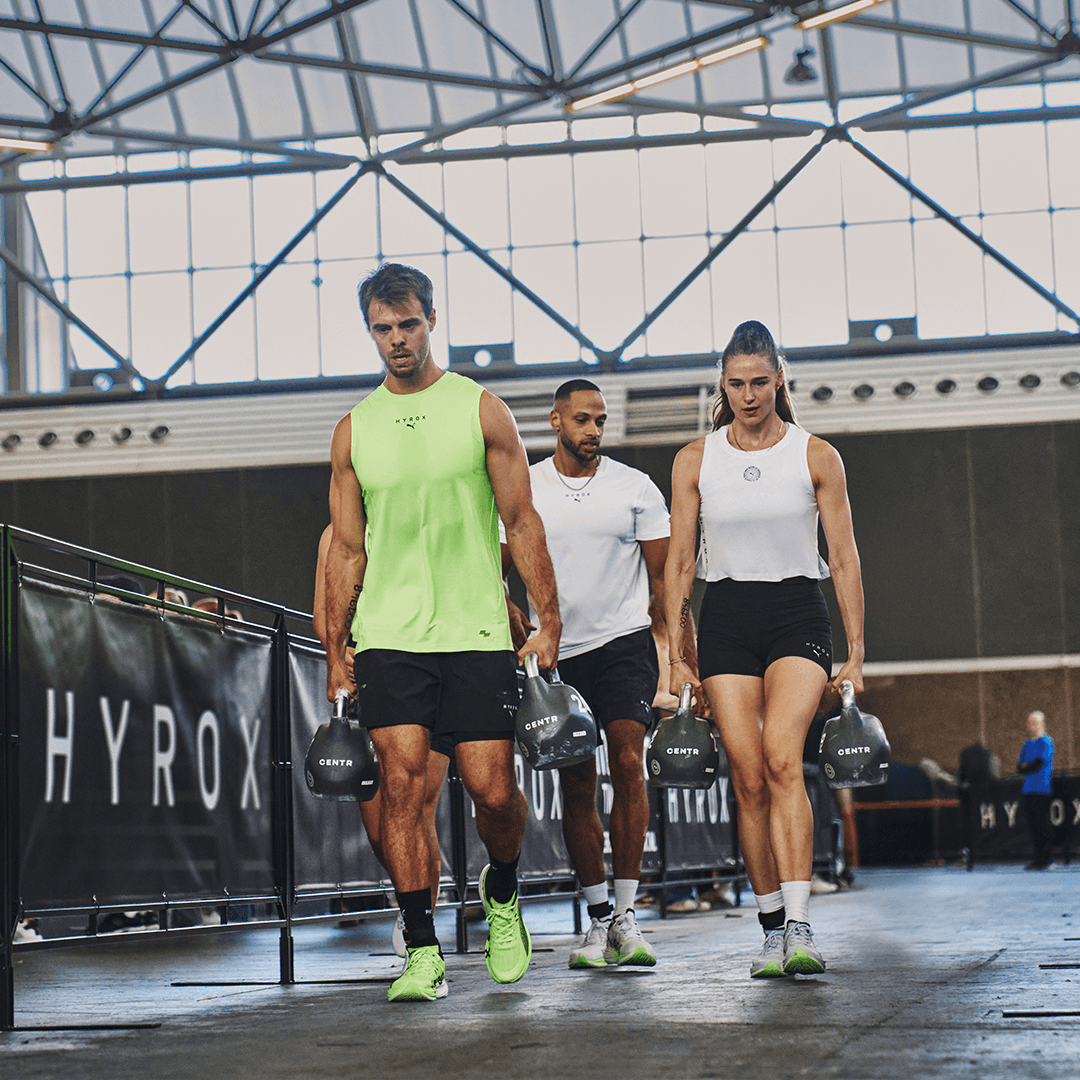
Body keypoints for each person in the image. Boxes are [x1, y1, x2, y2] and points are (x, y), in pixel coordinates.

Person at [322, 262, 561, 1002]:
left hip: (476, 630)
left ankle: (503, 888)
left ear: (432, 320)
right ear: (370, 332)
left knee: (494, 792)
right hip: (391, 635)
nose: (397, 340)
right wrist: (336, 648)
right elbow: (346, 549)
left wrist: (548, 617)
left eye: (408, 324)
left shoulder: (481, 410)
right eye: (382, 328)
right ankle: (422, 949)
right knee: (401, 788)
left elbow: (521, 520)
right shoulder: (354, 430)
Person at [665, 320, 865, 979]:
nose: (748, 395)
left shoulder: (816, 456)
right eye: (736, 383)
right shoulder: (695, 460)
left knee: (782, 758)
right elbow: (679, 566)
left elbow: (844, 558)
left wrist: (857, 653)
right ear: (721, 386)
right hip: (726, 616)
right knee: (747, 778)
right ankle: (772, 925)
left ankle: (801, 925)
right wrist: (678, 656)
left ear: (779, 380)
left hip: (796, 613)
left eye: (759, 382)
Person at [502, 379, 694, 969]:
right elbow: (492, 571)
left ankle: (628, 918)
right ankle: (598, 918)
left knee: (629, 762)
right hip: (559, 656)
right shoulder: (525, 487)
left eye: (601, 421)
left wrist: (683, 659)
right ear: (556, 420)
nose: (593, 430)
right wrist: (517, 624)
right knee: (577, 783)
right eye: (582, 419)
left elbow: (668, 581)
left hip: (624, 644)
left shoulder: (634, 487)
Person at [313, 523, 448, 957]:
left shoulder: (422, 518)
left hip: (427, 670)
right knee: (380, 828)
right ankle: (409, 893)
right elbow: (324, 616)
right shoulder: (336, 534)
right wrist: (341, 655)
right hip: (369, 681)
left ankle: (420, 929)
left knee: (418, 806)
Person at [1017, 710, 1055, 870]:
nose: (1032, 726)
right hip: (1028, 790)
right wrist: (1026, 767)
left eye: (1035, 723)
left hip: (1041, 789)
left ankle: (1046, 859)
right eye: (1030, 723)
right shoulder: (1027, 744)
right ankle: (1037, 858)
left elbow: (1037, 764)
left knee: (1041, 825)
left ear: (1042, 724)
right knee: (1032, 825)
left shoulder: (1046, 742)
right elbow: (1019, 767)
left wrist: (1027, 766)